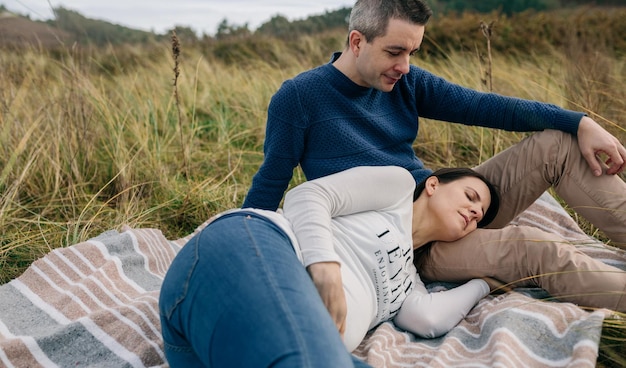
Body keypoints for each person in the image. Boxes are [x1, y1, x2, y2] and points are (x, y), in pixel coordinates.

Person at [242, 0, 626, 315]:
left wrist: (579, 122)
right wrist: (244, 246)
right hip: (411, 240)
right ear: (357, 41)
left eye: (412, 52)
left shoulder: (406, 80)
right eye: (394, 51)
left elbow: (484, 106)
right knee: (532, 247)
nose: (405, 66)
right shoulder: (298, 98)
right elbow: (271, 182)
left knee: (557, 145)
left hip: (440, 194)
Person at [159, 165, 501, 367]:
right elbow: (308, 196)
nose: (474, 213)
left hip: (260, 336)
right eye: (471, 197)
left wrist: (485, 283)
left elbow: (428, 319)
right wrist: (325, 267)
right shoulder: (397, 190)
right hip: (254, 249)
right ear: (432, 185)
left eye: (479, 217)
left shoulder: (410, 282)